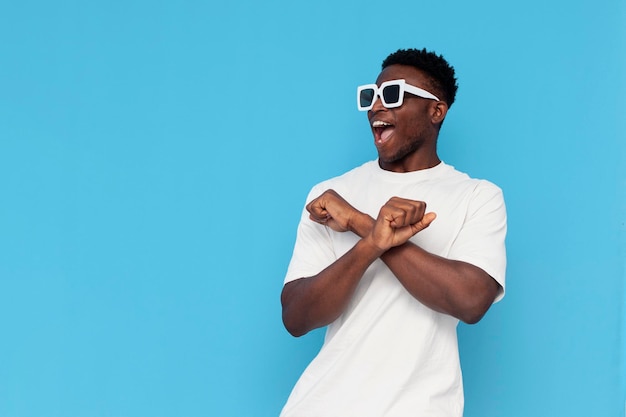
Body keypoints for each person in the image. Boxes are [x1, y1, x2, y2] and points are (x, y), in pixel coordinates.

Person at [279, 48, 507, 417]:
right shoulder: (329, 195)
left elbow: (470, 301)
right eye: (371, 95)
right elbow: (296, 317)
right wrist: (371, 243)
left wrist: (359, 223)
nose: (376, 107)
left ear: (436, 111)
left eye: (394, 95)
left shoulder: (477, 196)